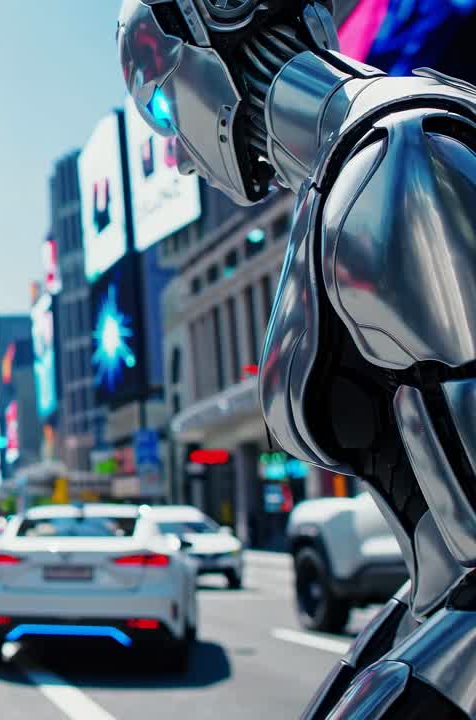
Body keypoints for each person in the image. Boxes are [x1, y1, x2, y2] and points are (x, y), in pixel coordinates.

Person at [117, 0, 476, 715]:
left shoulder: (404, 148)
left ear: (209, 40)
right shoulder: (348, 170)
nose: (177, 154)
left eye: (160, 107)